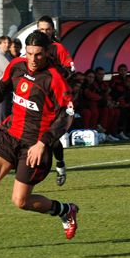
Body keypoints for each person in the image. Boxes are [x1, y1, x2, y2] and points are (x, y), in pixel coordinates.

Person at [0, 31, 78, 252]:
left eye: (38, 55)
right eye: (29, 53)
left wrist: (43, 143)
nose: (32, 59)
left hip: (33, 145)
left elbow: (66, 115)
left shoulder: (54, 79)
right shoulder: (17, 66)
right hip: (10, 136)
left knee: (20, 201)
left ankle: (65, 210)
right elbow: (2, 88)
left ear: (47, 53)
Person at [36, 15, 75, 186]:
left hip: (54, 100)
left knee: (50, 138)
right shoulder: (33, 47)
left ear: (53, 30)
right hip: (37, 98)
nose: (44, 32)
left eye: (47, 29)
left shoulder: (57, 48)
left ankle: (59, 164)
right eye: (41, 29)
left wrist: (57, 76)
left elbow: (70, 68)